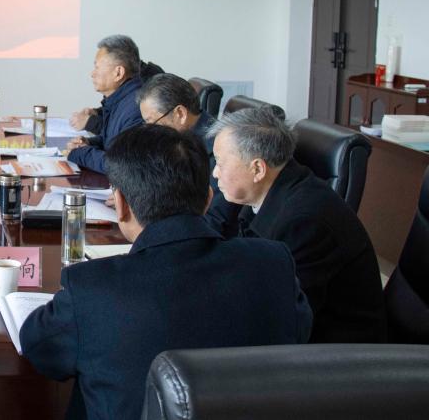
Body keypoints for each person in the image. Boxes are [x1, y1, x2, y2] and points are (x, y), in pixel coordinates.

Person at [20, 125, 311, 420]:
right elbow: (299, 335)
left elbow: (38, 348)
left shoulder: (92, 287)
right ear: (208, 199)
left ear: (120, 205)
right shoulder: (273, 263)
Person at [210, 107, 388, 343]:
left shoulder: (304, 222)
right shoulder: (267, 194)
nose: (215, 173)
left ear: (258, 169)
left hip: (340, 351)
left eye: (220, 163)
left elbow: (283, 319)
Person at [137, 73, 238, 235]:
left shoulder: (218, 153)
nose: (150, 131)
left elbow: (214, 221)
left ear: (180, 114)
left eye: (152, 122)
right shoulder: (178, 141)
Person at [66, 35, 145, 174]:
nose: (92, 73)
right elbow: (112, 141)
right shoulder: (120, 99)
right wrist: (89, 143)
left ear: (118, 73)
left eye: (97, 67)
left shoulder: (136, 108)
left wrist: (81, 153)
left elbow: (121, 166)